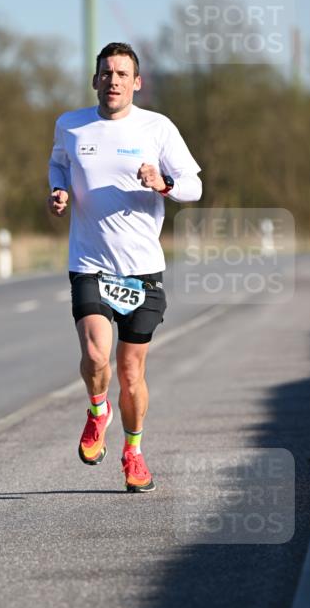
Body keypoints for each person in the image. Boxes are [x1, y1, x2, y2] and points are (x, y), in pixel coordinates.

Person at [48, 42, 202, 492]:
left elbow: (193, 185)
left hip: (142, 269)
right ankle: (98, 411)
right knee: (96, 355)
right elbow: (58, 166)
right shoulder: (70, 125)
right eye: (106, 73)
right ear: (95, 79)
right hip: (89, 263)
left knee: (132, 373)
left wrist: (163, 182)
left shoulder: (157, 127)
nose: (113, 81)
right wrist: (58, 191)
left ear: (136, 82)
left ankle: (133, 452)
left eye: (122, 74)